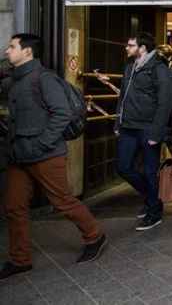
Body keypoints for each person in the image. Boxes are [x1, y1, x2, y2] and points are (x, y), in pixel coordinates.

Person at [1, 34, 106, 280]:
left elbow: (63, 113)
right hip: (18, 155)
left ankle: (95, 235)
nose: (7, 51)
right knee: (14, 207)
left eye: (12, 47)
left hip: (45, 154)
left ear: (27, 52)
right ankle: (20, 259)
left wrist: (42, 143)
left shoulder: (44, 79)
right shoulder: (15, 79)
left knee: (62, 202)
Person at [115, 32, 172, 230]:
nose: (127, 48)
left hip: (148, 128)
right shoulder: (130, 67)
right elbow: (123, 97)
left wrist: (157, 133)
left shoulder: (159, 68)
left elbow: (165, 103)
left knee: (149, 172)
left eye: (131, 45)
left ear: (142, 48)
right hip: (128, 127)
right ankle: (152, 199)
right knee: (123, 167)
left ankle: (154, 212)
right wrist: (118, 122)